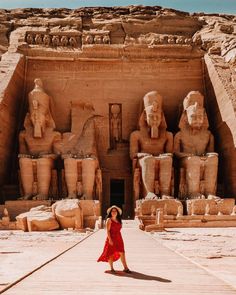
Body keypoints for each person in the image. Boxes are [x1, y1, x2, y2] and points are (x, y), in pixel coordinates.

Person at [97, 205, 131, 273]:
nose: (114, 212)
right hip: (111, 238)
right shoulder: (109, 220)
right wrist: (110, 239)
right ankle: (112, 268)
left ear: (117, 212)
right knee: (111, 253)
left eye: (115, 211)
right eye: (112, 211)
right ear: (110, 212)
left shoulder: (118, 220)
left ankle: (125, 268)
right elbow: (108, 231)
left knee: (122, 252)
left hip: (119, 238)